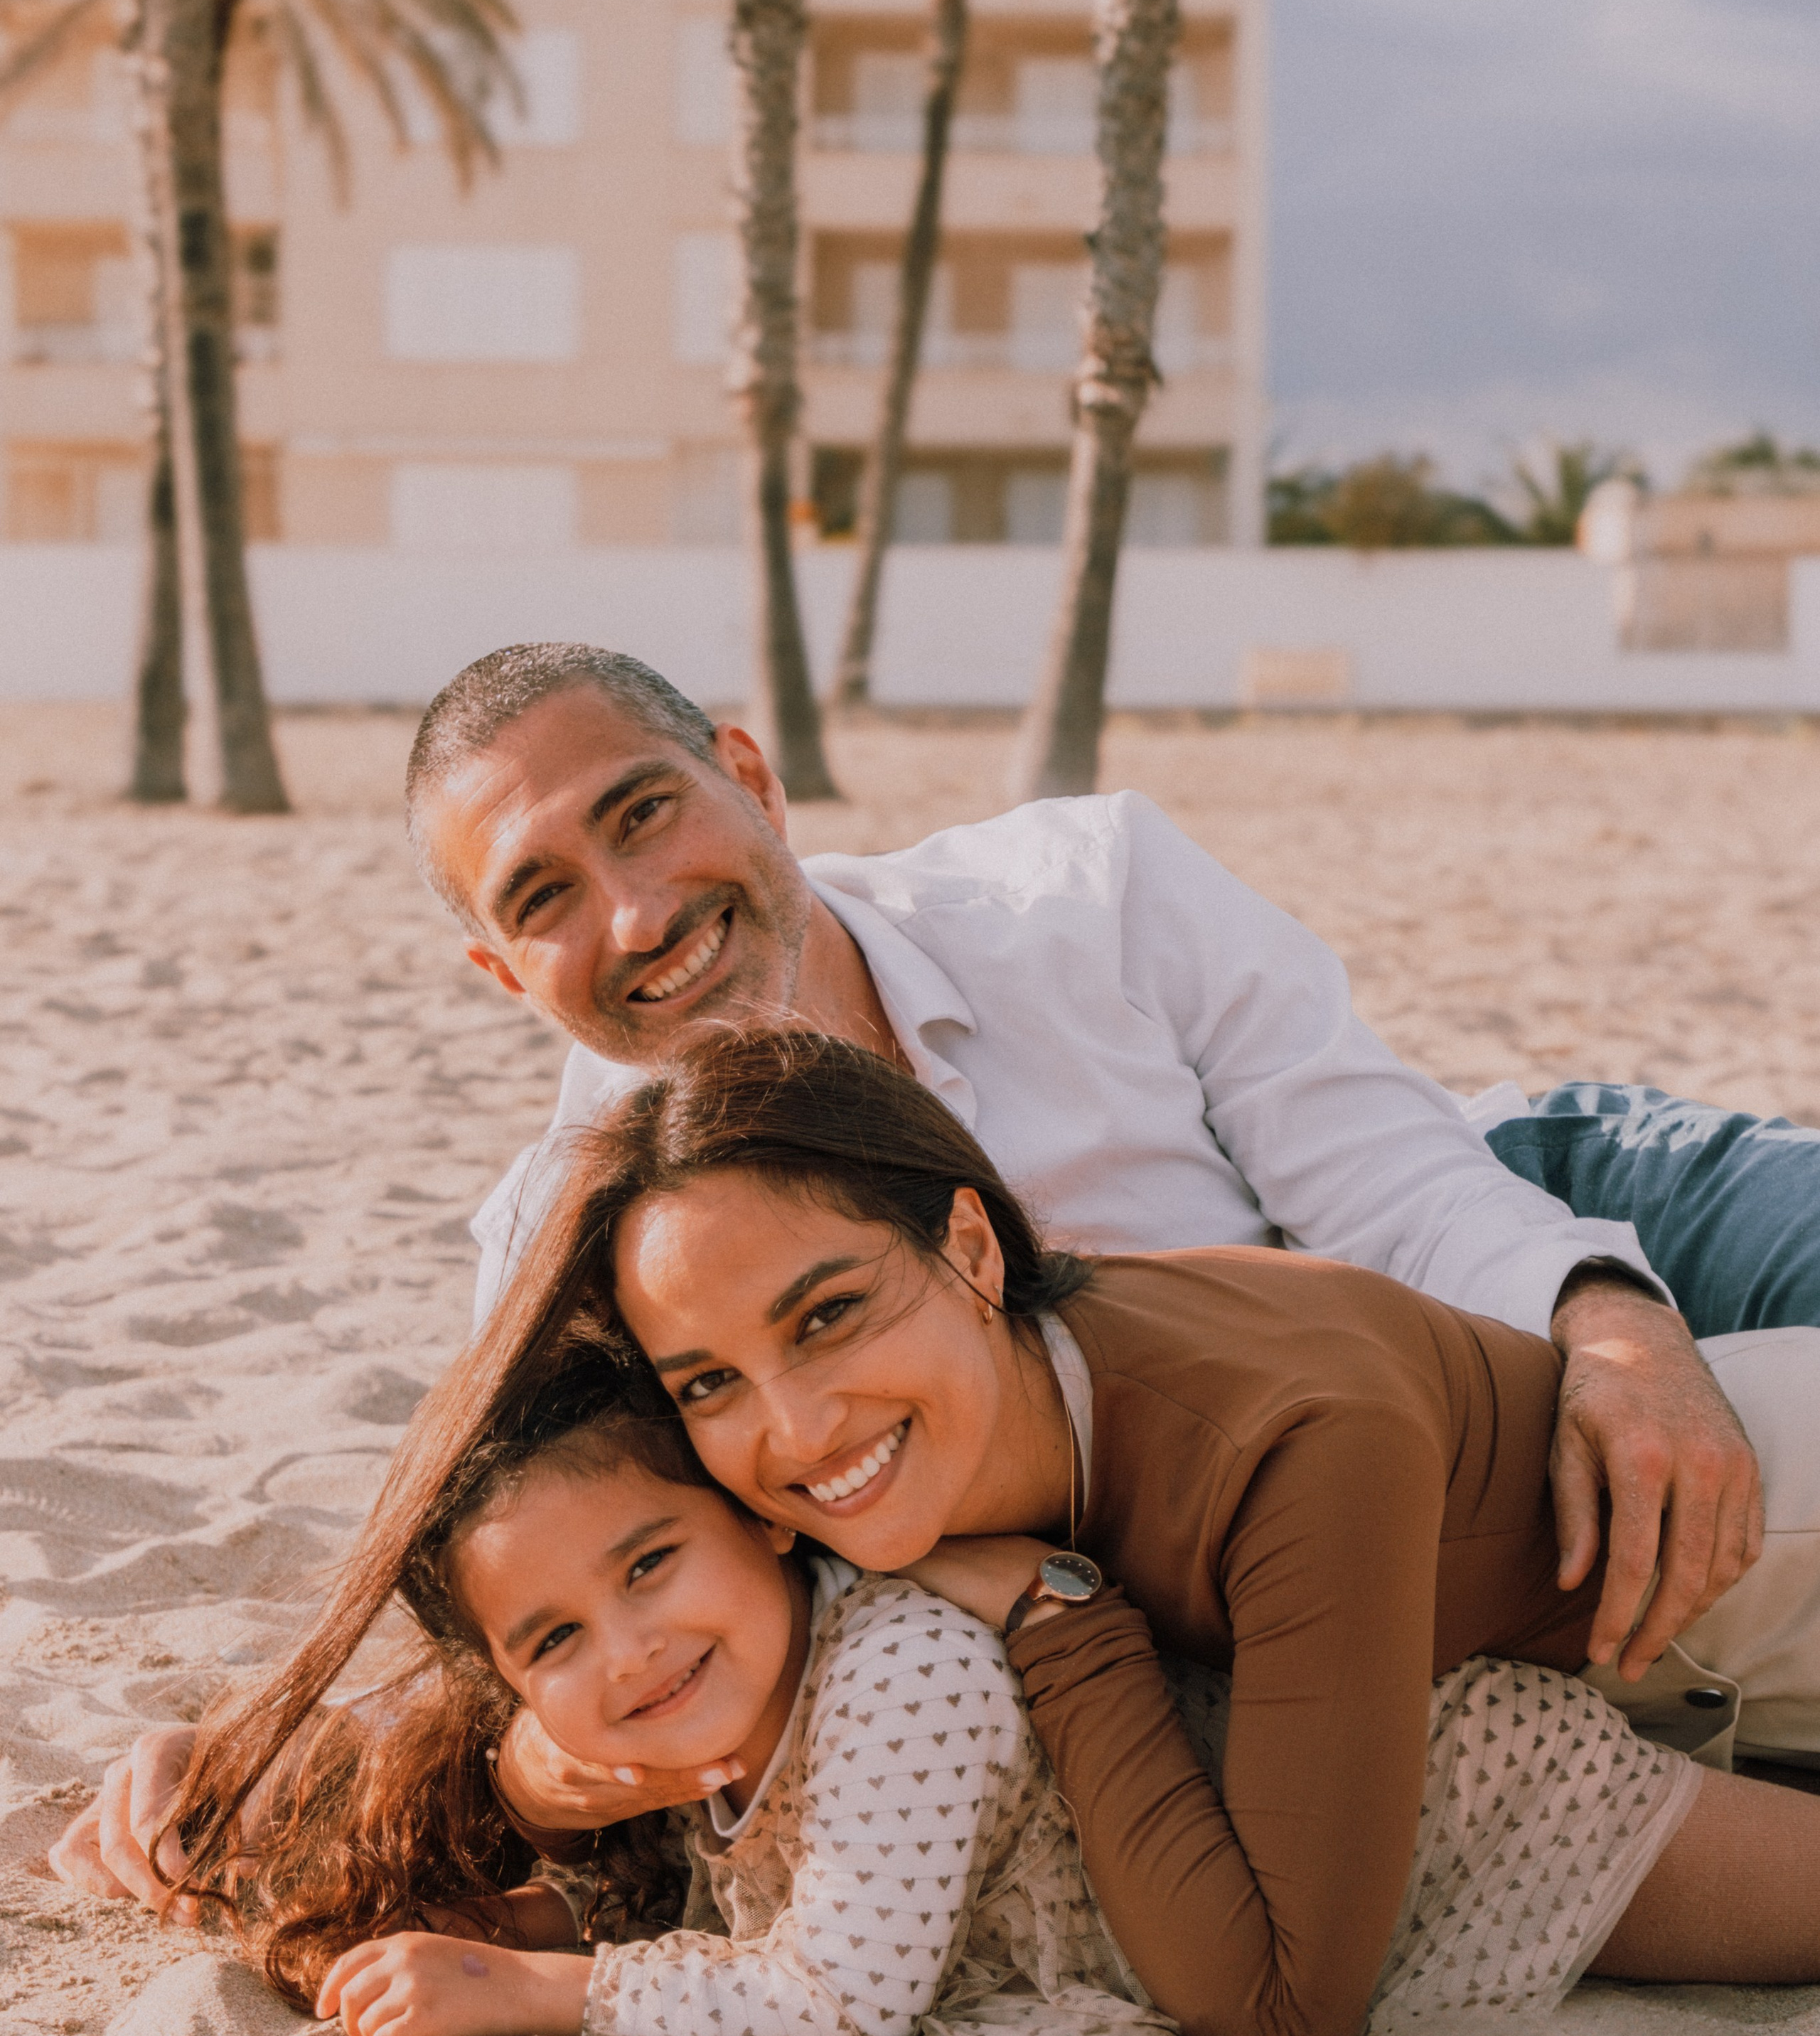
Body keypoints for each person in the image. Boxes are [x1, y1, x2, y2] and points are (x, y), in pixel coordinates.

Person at [48, 642, 1765, 1908]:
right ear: (502, 974)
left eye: (647, 815)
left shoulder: (1088, 888)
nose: (637, 915)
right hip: (1344, 1466)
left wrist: (1607, 1328)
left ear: (751, 776)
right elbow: (591, 1572)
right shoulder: (560, 1249)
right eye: (548, 898)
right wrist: (281, 1750)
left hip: (1519, 1205)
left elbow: (1387, 1179)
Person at [459, 1029, 1820, 2036]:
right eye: (710, 1382)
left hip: (1760, 1561)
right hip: (1610, 1679)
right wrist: (542, 1764)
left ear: (972, 1249)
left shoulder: (1287, 1448)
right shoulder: (890, 1463)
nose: (794, 1430)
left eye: (829, 1316)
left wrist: (1057, 1620)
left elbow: (1284, 2018)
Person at [173, 1363, 1128, 2036]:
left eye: (649, 1565)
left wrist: (521, 1986)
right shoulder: (710, 1710)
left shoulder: (906, 1665)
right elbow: (721, 1902)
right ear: (515, 1696)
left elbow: (845, 1997)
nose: (630, 1654)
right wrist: (535, 1917)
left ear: (762, 1514)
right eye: (555, 1642)